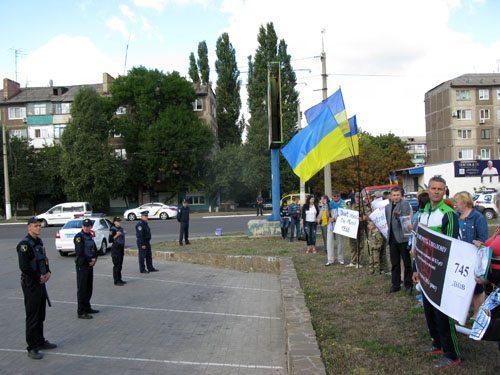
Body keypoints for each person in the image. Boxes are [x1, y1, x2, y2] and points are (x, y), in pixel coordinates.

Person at [413, 175, 461, 370]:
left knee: (443, 313)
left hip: (441, 272)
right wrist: (417, 269)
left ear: (444, 191)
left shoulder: (448, 214)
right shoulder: (423, 213)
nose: (436, 192)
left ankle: (452, 353)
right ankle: (437, 342)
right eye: (433, 188)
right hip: (425, 271)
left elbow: (450, 246)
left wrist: (440, 270)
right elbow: (419, 243)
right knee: (428, 308)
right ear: (428, 190)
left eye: (440, 189)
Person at [17, 217, 57, 360]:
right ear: (29, 227)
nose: (39, 228)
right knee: (32, 316)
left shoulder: (38, 242)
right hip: (31, 284)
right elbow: (24, 267)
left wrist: (48, 271)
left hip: (40, 282)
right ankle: (32, 347)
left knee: (41, 314)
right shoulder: (24, 245)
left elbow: (44, 259)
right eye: (36, 226)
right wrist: (37, 277)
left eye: (39, 225)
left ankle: (40, 341)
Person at [453, 191, 488, 319]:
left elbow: (484, 238)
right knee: (462, 285)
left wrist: (479, 244)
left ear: (465, 203)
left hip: (473, 257)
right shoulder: (455, 217)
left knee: (476, 286)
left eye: (457, 202)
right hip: (459, 257)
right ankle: (464, 310)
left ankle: (477, 312)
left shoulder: (478, 218)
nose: (454, 204)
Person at [385, 186, 413, 294]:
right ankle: (395, 284)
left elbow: (406, 220)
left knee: (406, 262)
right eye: (394, 195)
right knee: (395, 262)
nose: (395, 197)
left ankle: (408, 284)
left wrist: (398, 217)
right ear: (390, 196)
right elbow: (388, 221)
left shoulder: (404, 204)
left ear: (401, 195)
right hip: (392, 238)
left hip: (402, 237)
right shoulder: (387, 207)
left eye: (397, 195)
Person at [74, 218, 99, 319]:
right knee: (82, 288)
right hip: (82, 265)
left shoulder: (90, 236)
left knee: (89, 288)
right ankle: (81, 311)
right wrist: (89, 260)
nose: (86, 227)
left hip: (89, 265)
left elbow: (94, 249)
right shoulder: (79, 237)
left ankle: (87, 307)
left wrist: (94, 259)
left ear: (91, 227)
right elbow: (80, 251)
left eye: (88, 226)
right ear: (82, 226)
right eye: (84, 226)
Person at [346, 192, 367, 268]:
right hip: (352, 229)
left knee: (360, 246)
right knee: (352, 245)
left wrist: (362, 218)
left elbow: (366, 216)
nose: (358, 199)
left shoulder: (364, 207)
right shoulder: (351, 206)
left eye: (360, 197)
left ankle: (360, 262)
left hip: (360, 228)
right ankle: (353, 261)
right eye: (357, 197)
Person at [326, 190, 346, 266]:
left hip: (339, 225)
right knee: (329, 242)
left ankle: (340, 258)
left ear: (339, 196)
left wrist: (335, 219)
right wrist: (327, 208)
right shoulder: (330, 204)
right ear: (332, 196)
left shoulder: (343, 204)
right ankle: (330, 259)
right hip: (331, 225)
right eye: (334, 196)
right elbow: (328, 216)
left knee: (340, 242)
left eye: (337, 196)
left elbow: (344, 215)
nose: (336, 197)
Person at [109, 217, 126, 286]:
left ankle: (120, 279)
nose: (119, 223)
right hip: (116, 249)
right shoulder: (112, 230)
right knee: (117, 265)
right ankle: (116, 280)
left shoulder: (121, 228)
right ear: (114, 222)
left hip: (121, 248)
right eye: (118, 221)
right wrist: (117, 235)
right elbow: (110, 240)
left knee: (120, 265)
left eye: (120, 221)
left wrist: (123, 233)